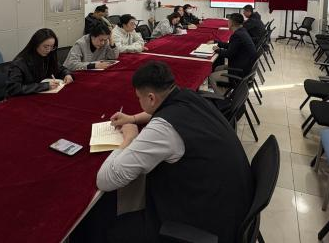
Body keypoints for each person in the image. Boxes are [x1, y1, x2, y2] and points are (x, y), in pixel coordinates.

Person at [92, 61, 253, 242]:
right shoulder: (188, 96)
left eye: (139, 98)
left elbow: (105, 180)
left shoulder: (164, 128)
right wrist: (133, 118)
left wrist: (129, 138)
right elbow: (161, 110)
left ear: (151, 98)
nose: (138, 101)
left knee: (109, 229)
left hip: (210, 224)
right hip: (232, 201)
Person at [6, 28, 73, 96]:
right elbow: (13, 89)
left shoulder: (48, 56)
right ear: (36, 44)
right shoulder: (20, 63)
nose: (49, 50)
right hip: (23, 98)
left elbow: (60, 69)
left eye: (52, 47)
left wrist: (67, 74)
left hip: (41, 95)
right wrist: (45, 86)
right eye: (45, 46)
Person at [208, 12, 257, 89]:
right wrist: (217, 42)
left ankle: (223, 96)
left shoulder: (237, 35)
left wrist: (217, 50)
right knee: (217, 68)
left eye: (228, 21)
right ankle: (223, 89)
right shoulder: (242, 31)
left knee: (211, 77)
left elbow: (229, 54)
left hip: (240, 72)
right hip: (245, 67)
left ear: (231, 23)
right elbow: (232, 46)